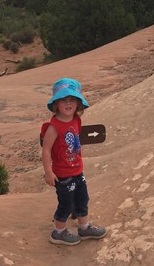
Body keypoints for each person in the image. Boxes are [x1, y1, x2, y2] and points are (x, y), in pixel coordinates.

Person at [41, 78, 106, 245]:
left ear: (78, 103)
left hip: (77, 170)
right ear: (56, 104)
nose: (68, 103)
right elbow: (46, 149)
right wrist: (49, 172)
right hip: (63, 175)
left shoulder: (76, 120)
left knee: (82, 199)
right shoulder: (54, 126)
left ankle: (84, 228)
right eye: (64, 99)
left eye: (72, 99)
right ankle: (58, 232)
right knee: (66, 204)